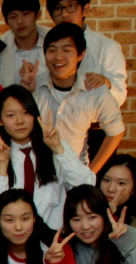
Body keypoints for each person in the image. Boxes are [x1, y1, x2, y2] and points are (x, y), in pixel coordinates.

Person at [0, 85, 95, 228]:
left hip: (51, 237)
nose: (20, 121)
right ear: (0, 121)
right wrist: (2, 164)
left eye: (26, 112)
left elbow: (86, 186)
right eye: (11, 115)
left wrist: (58, 149)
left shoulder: (58, 146)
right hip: (11, 237)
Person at [23, 23, 124, 171]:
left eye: (66, 50)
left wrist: (91, 173)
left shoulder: (94, 89)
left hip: (75, 174)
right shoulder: (33, 86)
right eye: (52, 50)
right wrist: (26, 94)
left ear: (81, 54)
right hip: (37, 173)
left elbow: (115, 132)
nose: (58, 57)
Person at [46, 0, 128, 106]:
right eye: (58, 8)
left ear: (85, 9)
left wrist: (107, 84)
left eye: (71, 6)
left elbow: (120, 97)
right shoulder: (46, 46)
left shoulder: (107, 47)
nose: (64, 14)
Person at [0, 0, 49, 88]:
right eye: (13, 17)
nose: (20, 21)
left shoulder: (52, 42)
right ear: (6, 22)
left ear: (38, 15)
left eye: (26, 14)